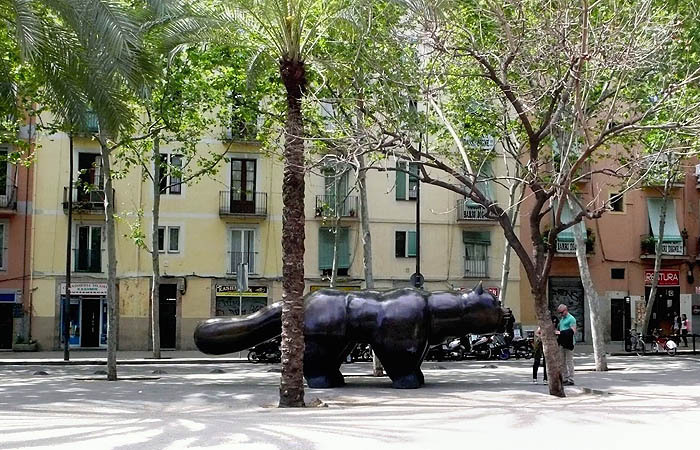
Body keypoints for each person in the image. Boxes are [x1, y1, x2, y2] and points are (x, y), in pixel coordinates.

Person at [532, 315, 558, 385]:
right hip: (540, 343)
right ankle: (535, 378)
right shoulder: (544, 325)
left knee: (545, 361)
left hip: (548, 344)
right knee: (537, 360)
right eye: (553, 322)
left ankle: (545, 379)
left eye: (555, 323)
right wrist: (541, 337)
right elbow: (537, 332)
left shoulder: (554, 328)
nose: (554, 324)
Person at [555, 304, 576, 386]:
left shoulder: (571, 319)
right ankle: (565, 378)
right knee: (562, 362)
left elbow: (573, 331)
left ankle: (571, 379)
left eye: (561, 312)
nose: (561, 314)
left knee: (569, 361)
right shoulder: (562, 319)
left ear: (566, 310)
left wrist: (561, 333)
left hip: (569, 343)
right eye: (559, 313)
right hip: (562, 343)